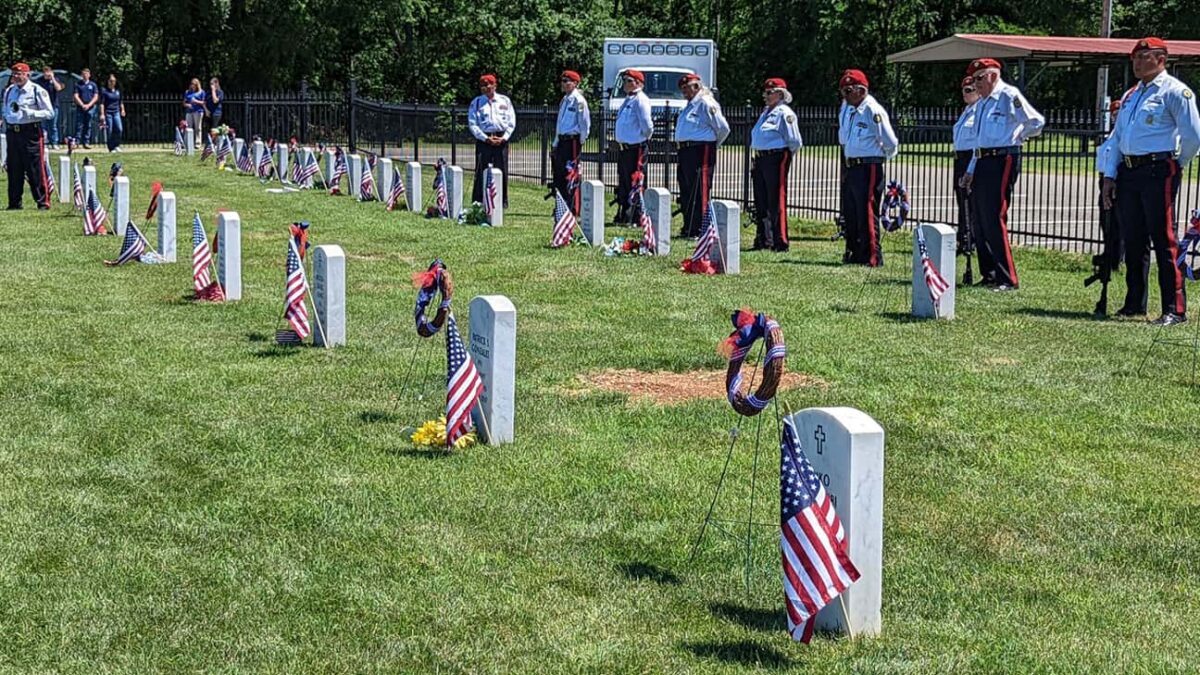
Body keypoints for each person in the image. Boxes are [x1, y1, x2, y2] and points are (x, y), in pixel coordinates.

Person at [1101, 37, 1200, 326]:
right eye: (1135, 57)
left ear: (1161, 59)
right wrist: (1110, 174)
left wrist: (1176, 163)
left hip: (1158, 169)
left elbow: (1193, 135)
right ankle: (1134, 302)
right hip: (1129, 170)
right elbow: (1118, 137)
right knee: (1133, 238)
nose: (1138, 62)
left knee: (1163, 238)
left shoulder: (1175, 91)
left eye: (1145, 57)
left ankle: (1174, 308)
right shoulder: (1132, 95)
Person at [959, 58, 1044, 291]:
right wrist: (970, 170)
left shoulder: (1008, 95)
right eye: (973, 79)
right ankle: (989, 273)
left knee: (995, 216)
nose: (976, 84)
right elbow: (979, 141)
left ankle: (1007, 277)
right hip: (983, 159)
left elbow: (1036, 121)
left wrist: (1019, 136)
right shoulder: (983, 103)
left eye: (979, 78)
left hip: (1002, 158)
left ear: (993, 76)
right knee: (979, 219)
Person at [837, 69, 898, 266]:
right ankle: (855, 253)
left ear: (861, 90)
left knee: (867, 211)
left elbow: (890, 141)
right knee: (852, 211)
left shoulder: (872, 110)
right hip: (852, 165)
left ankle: (872, 256)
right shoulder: (850, 110)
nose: (845, 96)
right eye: (843, 91)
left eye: (848, 91)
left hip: (868, 165)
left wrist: (880, 157)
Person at [674, 73, 730, 237]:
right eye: (682, 89)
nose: (684, 91)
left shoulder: (706, 103)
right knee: (687, 189)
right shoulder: (689, 106)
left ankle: (701, 228)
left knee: (700, 190)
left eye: (687, 88)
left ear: (697, 86)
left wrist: (712, 145)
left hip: (700, 150)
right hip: (685, 150)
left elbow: (723, 128)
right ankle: (689, 226)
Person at [750, 78, 802, 251]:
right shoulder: (766, 112)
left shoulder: (784, 113)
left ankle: (780, 241)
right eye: (764, 92)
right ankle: (765, 239)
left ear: (780, 94)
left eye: (769, 92)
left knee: (776, 199)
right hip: (761, 157)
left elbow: (794, 140)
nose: (765, 96)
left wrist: (784, 157)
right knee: (761, 199)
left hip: (776, 157)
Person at [4, 62, 55, 210]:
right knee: (14, 168)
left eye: (19, 74)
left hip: (30, 132)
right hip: (13, 132)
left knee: (34, 168)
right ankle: (14, 203)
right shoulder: (9, 90)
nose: (16, 77)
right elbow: (6, 109)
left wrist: (32, 113)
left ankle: (42, 202)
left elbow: (50, 113)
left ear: (28, 75)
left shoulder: (37, 90)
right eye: (14, 74)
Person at [467, 74, 515, 207]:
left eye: (489, 85)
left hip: (501, 139)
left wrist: (504, 138)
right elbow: (472, 124)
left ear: (495, 85)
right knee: (481, 170)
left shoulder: (505, 101)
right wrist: (485, 138)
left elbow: (512, 122)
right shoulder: (476, 102)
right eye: (483, 85)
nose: (487, 87)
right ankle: (478, 201)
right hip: (484, 140)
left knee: (502, 170)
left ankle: (502, 201)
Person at [613, 69, 653, 224]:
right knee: (624, 181)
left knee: (636, 181)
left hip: (636, 148)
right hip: (624, 148)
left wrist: (642, 139)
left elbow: (647, 126)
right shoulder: (628, 99)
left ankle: (636, 216)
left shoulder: (641, 100)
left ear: (638, 83)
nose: (625, 83)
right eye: (624, 80)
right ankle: (624, 214)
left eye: (629, 80)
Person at [551, 70, 590, 214]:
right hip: (562, 140)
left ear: (575, 83)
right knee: (560, 174)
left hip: (572, 141)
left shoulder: (579, 101)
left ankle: (573, 207)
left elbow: (584, 123)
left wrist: (581, 140)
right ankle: (562, 206)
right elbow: (559, 124)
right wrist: (555, 142)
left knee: (571, 174)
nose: (564, 84)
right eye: (562, 81)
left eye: (567, 81)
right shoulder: (565, 100)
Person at [953, 76, 980, 257]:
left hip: (971, 158)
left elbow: (977, 142)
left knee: (970, 201)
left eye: (969, 90)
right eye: (963, 90)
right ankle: (963, 238)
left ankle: (971, 240)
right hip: (959, 159)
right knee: (961, 199)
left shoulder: (979, 112)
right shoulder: (966, 111)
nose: (965, 93)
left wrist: (971, 167)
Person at [36, 65, 63, 149]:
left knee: (53, 126)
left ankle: (54, 142)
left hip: (53, 105)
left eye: (48, 72)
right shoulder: (39, 81)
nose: (47, 74)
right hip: (42, 107)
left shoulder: (55, 80)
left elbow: (58, 88)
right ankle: (44, 142)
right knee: (43, 126)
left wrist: (53, 78)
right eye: (45, 72)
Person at [73, 67, 99, 149]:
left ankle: (86, 142)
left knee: (88, 125)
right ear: (81, 75)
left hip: (90, 108)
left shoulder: (93, 85)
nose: (85, 75)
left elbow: (96, 96)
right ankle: (77, 142)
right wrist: (82, 105)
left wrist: (88, 105)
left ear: (89, 75)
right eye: (83, 74)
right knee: (79, 125)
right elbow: (75, 96)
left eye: (86, 74)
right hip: (80, 107)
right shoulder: (78, 84)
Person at [99, 74, 125, 153]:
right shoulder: (104, 91)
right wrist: (102, 114)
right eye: (111, 81)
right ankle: (111, 147)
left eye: (114, 81)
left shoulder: (118, 91)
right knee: (109, 130)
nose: (112, 82)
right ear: (108, 81)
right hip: (108, 113)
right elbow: (102, 103)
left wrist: (122, 110)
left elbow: (120, 102)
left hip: (116, 112)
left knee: (119, 129)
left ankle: (117, 145)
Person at [183, 78, 206, 144]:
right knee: (188, 127)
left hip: (198, 111)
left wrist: (196, 101)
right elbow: (184, 103)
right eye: (191, 84)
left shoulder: (201, 92)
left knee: (197, 128)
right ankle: (187, 142)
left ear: (197, 85)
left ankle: (198, 142)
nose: (192, 85)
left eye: (194, 84)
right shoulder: (187, 92)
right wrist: (187, 105)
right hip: (189, 111)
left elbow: (204, 102)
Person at [204, 77, 224, 141]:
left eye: (212, 84)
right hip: (209, 112)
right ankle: (209, 142)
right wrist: (206, 110)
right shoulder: (208, 92)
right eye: (210, 84)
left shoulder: (220, 92)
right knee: (207, 128)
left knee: (214, 129)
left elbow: (215, 100)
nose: (211, 85)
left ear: (216, 84)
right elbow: (204, 102)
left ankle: (214, 142)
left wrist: (213, 90)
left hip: (216, 113)